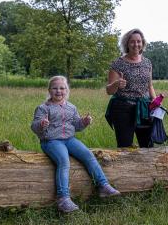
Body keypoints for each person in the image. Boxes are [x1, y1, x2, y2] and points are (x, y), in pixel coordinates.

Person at [31, 76, 120, 213]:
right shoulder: (43, 108)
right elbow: (34, 127)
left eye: (62, 88)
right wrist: (41, 124)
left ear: (66, 90)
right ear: (49, 90)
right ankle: (63, 198)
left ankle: (103, 186)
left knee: (88, 155)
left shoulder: (71, 107)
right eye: (55, 88)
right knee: (64, 161)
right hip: (51, 141)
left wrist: (84, 122)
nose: (58, 91)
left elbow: (76, 126)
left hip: (69, 139)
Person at [105, 29, 157, 148]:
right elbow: (109, 90)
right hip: (123, 109)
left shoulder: (147, 63)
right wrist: (117, 84)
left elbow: (150, 85)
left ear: (142, 43)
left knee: (148, 145)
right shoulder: (117, 63)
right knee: (125, 146)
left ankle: (146, 167)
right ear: (127, 44)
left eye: (139, 41)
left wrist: (155, 100)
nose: (136, 44)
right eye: (132, 41)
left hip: (144, 108)